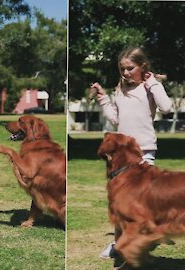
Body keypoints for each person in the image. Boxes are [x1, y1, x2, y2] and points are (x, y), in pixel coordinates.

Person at [89, 47, 172, 259]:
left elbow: (167, 107)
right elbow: (115, 119)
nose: (126, 73)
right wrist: (103, 98)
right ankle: (119, 244)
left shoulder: (150, 88)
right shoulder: (121, 90)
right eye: (122, 69)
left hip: (144, 154)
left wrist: (152, 82)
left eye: (130, 68)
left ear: (142, 67)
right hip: (121, 157)